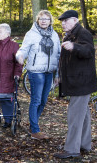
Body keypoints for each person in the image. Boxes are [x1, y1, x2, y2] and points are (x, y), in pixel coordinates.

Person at [53, 10, 97, 159]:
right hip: (78, 81)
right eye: (61, 21)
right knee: (82, 115)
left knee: (74, 117)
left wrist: (75, 47)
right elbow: (65, 60)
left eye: (65, 21)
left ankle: (72, 150)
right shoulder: (71, 35)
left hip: (81, 82)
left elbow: (89, 51)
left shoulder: (82, 34)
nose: (63, 24)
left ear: (74, 20)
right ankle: (84, 144)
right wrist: (60, 76)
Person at [16, 10, 61, 140]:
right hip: (35, 71)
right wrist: (20, 56)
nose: (43, 21)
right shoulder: (31, 34)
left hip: (49, 72)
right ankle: (35, 130)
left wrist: (57, 74)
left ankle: (33, 123)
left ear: (50, 21)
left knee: (43, 101)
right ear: (37, 20)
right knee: (36, 100)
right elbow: (24, 49)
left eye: (46, 19)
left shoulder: (55, 35)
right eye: (41, 18)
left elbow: (58, 55)